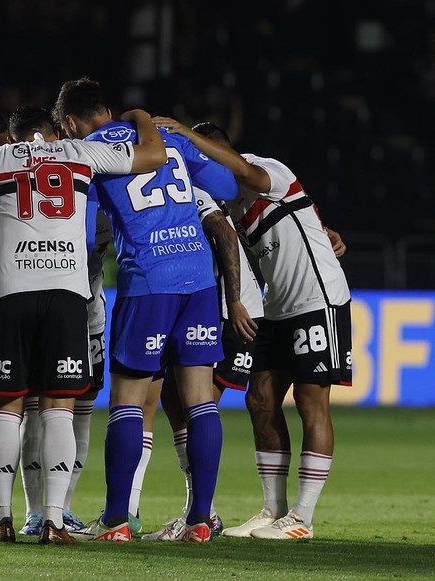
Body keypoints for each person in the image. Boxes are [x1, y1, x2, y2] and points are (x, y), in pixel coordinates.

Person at [0, 107, 167, 545]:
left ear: (11, 136)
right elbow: (154, 156)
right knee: (58, 412)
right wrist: (142, 117)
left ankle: (1, 519)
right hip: (67, 298)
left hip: (10, 295)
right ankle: (53, 520)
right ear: (51, 132)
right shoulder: (81, 152)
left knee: (6, 412)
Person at [52, 78, 238, 543]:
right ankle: (199, 520)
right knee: (200, 399)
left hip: (148, 281)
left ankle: (117, 520)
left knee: (128, 403)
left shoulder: (89, 153)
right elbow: (227, 183)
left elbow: (80, 223)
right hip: (198, 278)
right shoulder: (168, 138)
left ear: (71, 122)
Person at [155, 118, 351, 540]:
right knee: (260, 400)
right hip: (278, 307)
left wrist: (188, 137)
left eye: (207, 159)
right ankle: (273, 509)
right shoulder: (231, 205)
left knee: (311, 400)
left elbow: (246, 173)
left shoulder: (265, 170)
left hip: (318, 297)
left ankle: (302, 518)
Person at [140, 185, 263, 540]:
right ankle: (201, 511)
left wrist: (236, 300)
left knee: (199, 404)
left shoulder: (192, 192)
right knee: (174, 401)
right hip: (210, 305)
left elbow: (223, 232)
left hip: (231, 313)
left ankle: (202, 516)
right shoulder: (183, 189)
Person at [6, 106, 107, 536]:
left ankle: (55, 508)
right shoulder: (90, 175)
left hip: (70, 306)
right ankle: (42, 511)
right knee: (60, 408)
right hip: (76, 307)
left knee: (60, 408)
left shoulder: (8, 179)